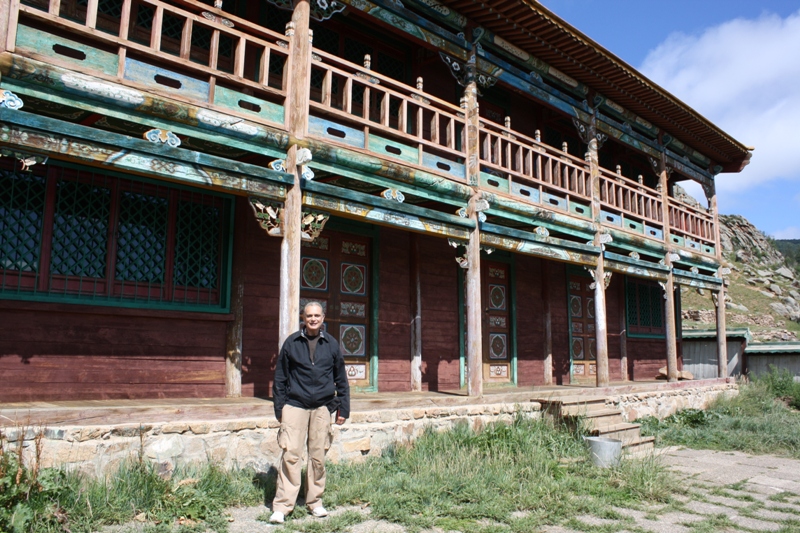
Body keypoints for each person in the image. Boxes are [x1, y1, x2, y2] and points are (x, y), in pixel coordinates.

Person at [269, 301, 350, 524]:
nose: (313, 319)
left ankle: (315, 502)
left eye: (317, 315)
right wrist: (280, 408)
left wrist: (343, 408)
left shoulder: (331, 344)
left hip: (322, 407)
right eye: (309, 315)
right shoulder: (292, 343)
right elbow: (280, 377)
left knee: (318, 457)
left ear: (323, 318)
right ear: (302, 318)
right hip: (295, 405)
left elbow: (341, 378)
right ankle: (283, 506)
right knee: (291, 454)